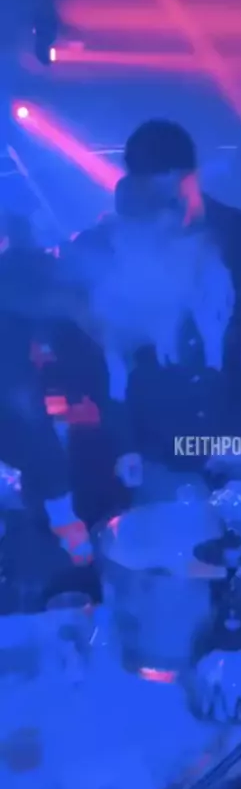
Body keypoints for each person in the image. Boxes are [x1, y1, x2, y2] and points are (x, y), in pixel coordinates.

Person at [64, 120, 241, 502]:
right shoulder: (120, 243)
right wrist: (124, 443)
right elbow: (112, 353)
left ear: (191, 177)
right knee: (165, 536)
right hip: (158, 449)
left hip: (240, 442)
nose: (166, 217)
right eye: (153, 202)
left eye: (171, 200)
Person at [0, 211, 93, 569]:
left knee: (38, 446)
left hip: (15, 372)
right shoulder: (27, 266)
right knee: (41, 446)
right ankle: (64, 529)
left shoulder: (17, 265)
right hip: (13, 375)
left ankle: (58, 527)